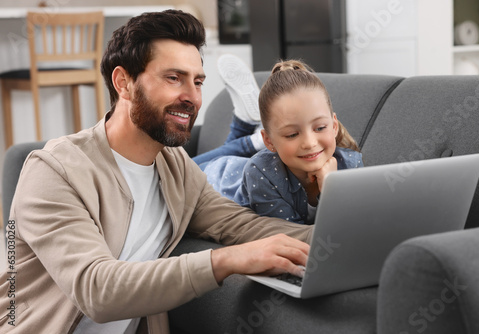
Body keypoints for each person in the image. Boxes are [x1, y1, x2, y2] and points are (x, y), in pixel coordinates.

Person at [0, 10, 311, 334]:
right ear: (124, 83)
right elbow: (98, 290)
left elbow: (240, 225)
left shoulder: (175, 170)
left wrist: (344, 236)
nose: (192, 97)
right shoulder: (55, 172)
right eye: (173, 78)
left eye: (198, 81)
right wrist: (226, 261)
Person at [194, 56, 363, 225]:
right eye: (292, 134)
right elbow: (295, 236)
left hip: (245, 166)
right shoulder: (261, 175)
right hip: (214, 177)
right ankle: (249, 136)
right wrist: (331, 191)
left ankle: (243, 123)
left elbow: (358, 224)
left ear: (334, 126)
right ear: (269, 142)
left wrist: (333, 184)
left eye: (320, 128)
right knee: (174, 167)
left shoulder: (351, 165)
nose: (310, 143)